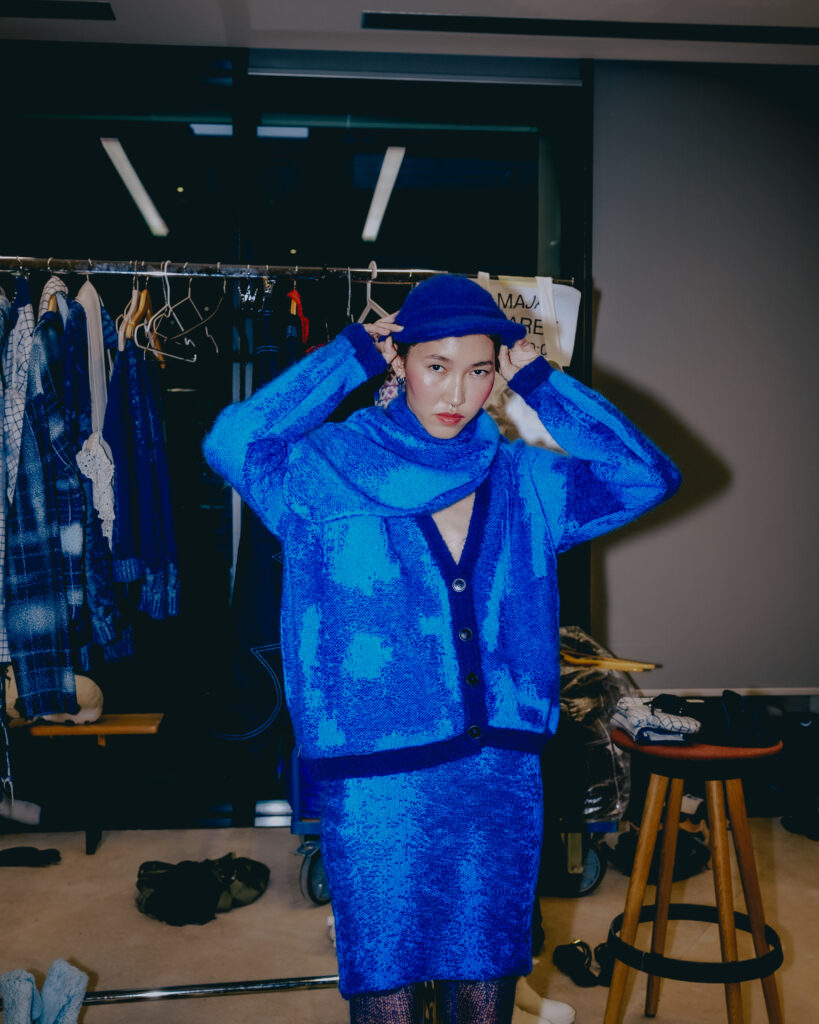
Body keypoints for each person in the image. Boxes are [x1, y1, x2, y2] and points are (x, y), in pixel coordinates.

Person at [203, 274, 681, 1024]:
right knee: (387, 988)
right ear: (399, 363)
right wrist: (348, 356)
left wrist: (542, 384)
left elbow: (645, 475)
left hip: (497, 767)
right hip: (376, 776)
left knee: (485, 980)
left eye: (480, 369)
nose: (458, 392)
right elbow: (232, 441)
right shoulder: (323, 469)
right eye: (436, 365)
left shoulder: (521, 476)